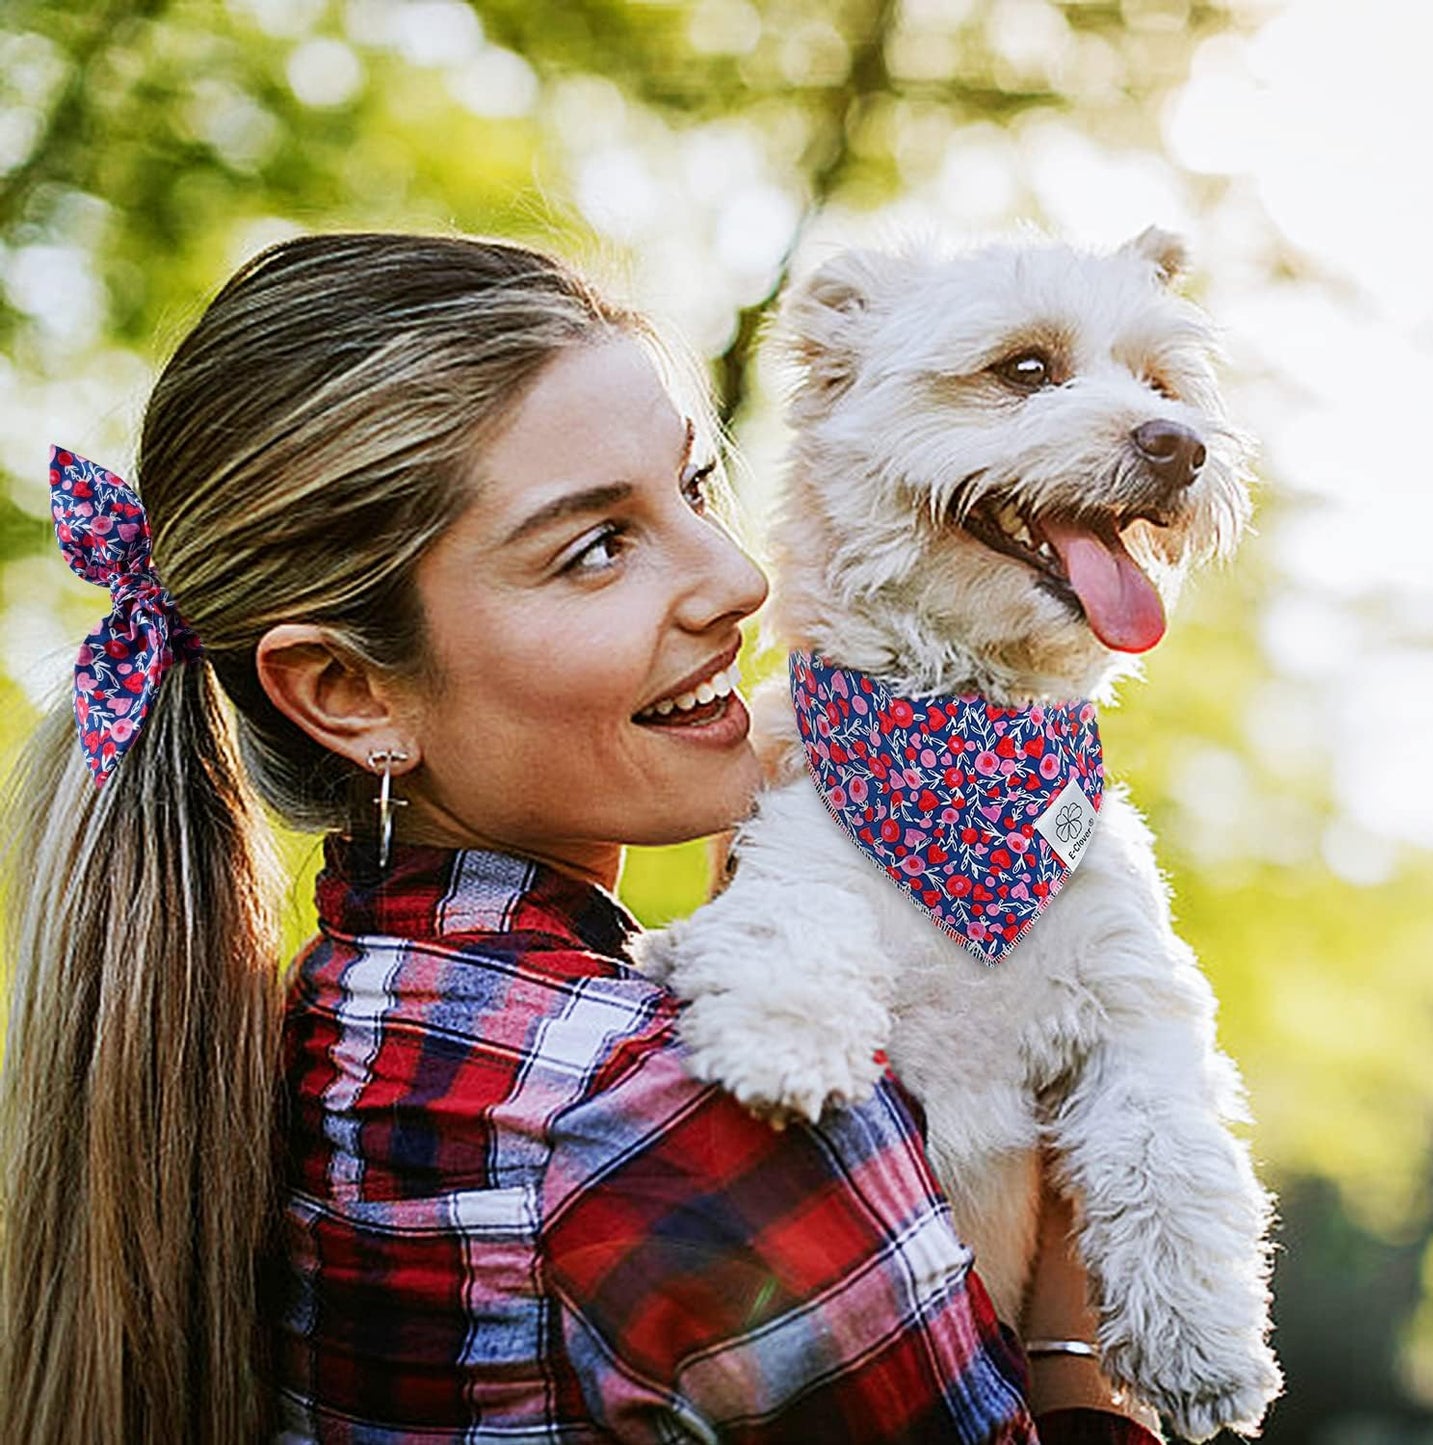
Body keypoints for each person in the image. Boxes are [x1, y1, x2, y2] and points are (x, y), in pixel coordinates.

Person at [0, 232, 1162, 1444]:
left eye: (694, 487)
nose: (733, 579)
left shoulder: (316, 1020)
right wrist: (1065, 1316)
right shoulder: (693, 1111)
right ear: (350, 691)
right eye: (595, 546)